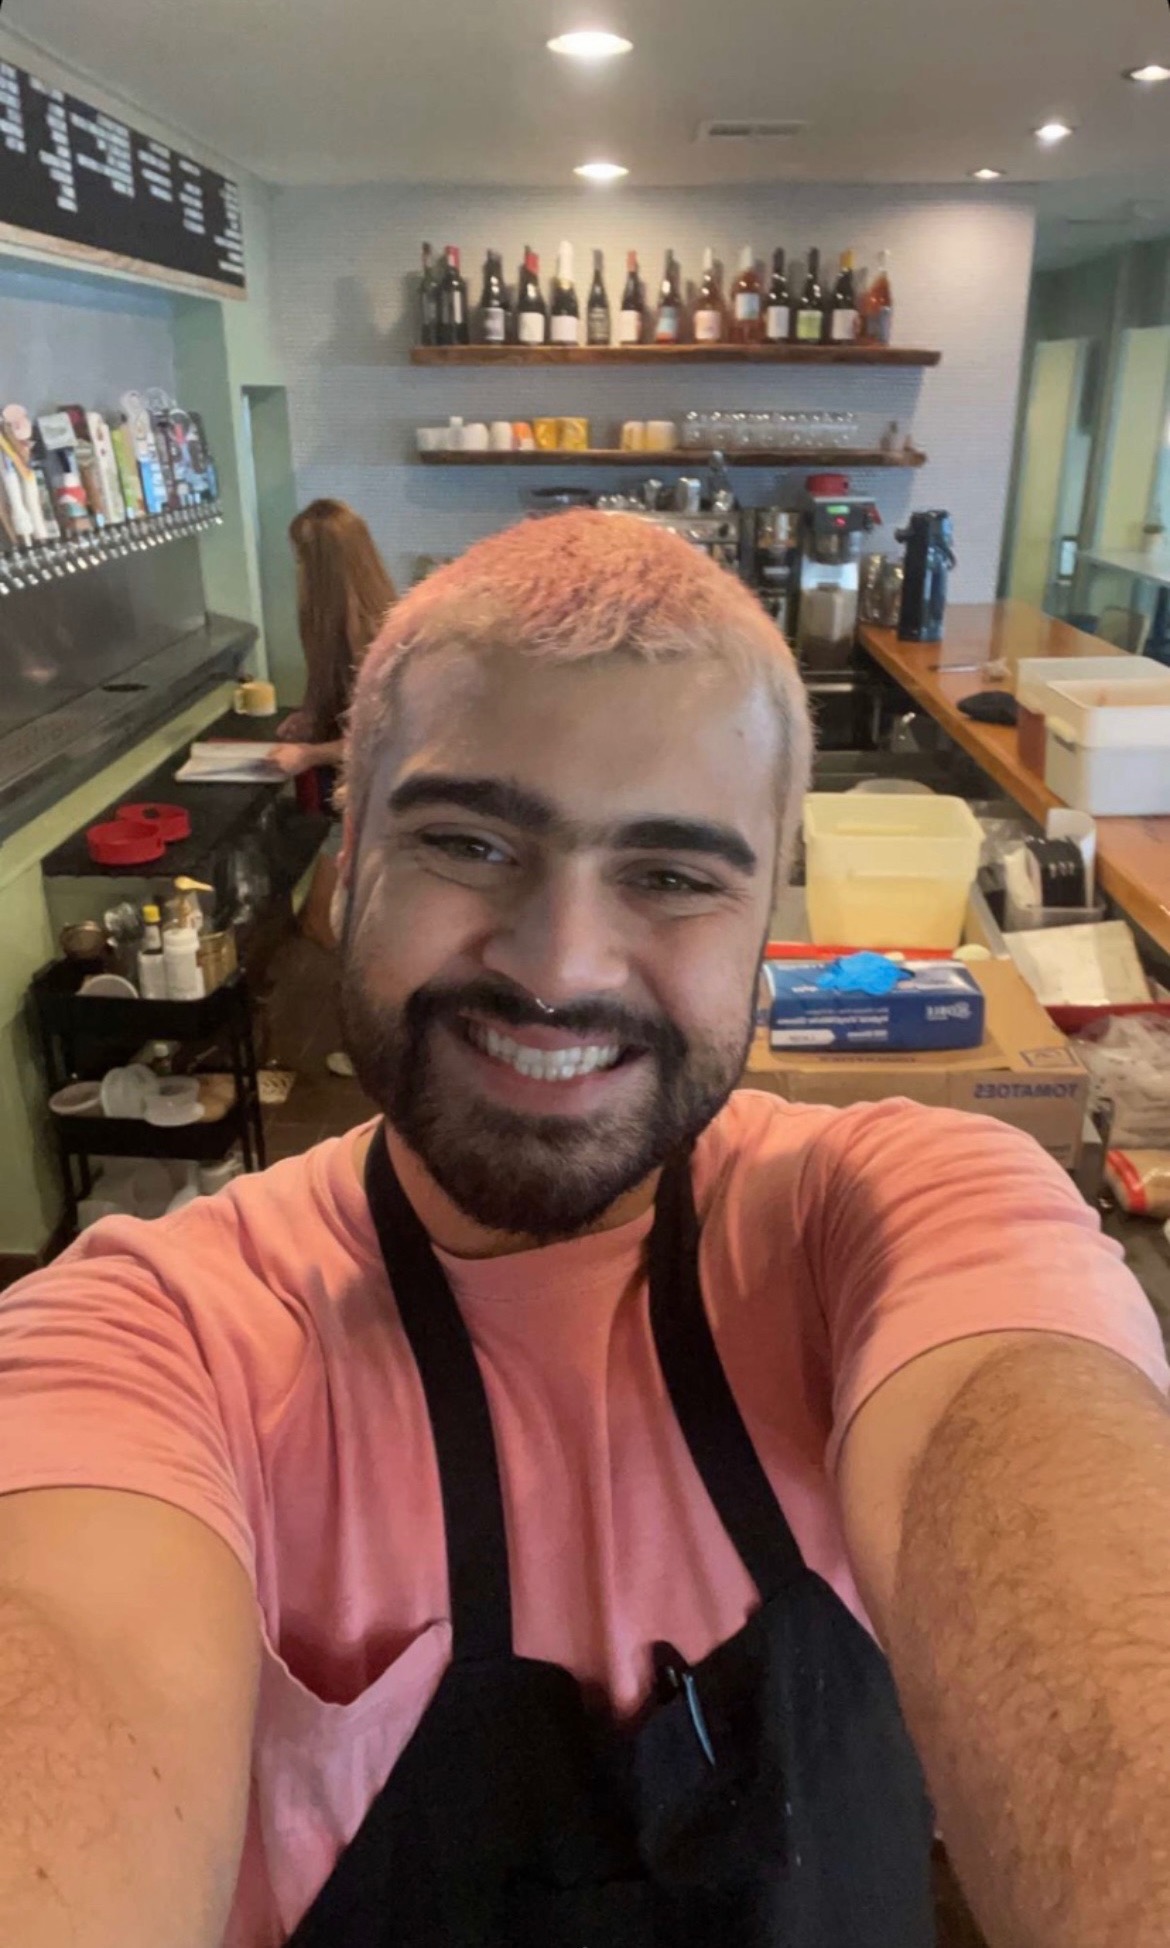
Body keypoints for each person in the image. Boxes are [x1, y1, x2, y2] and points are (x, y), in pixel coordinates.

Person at [1, 509, 1168, 1948]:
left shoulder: (905, 1221)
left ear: (767, 915)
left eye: (670, 876)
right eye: (469, 842)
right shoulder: (147, 1336)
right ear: (349, 858)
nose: (557, 965)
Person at [270, 497, 396, 960]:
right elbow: (347, 705)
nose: (298, 573)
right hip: (364, 788)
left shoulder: (367, 635)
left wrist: (308, 754)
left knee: (321, 921)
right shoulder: (351, 621)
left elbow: (381, 739)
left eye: (302, 561)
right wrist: (309, 715)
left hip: (379, 786)